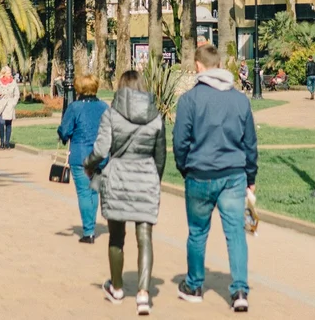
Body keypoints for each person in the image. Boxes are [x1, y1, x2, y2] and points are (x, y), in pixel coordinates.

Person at [173, 43, 257, 312]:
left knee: (197, 232)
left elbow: (180, 142)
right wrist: (250, 175)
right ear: (219, 65)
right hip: (233, 174)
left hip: (199, 173)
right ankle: (240, 290)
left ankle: (194, 285)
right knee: (236, 233)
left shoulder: (189, 100)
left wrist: (184, 167)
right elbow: (250, 143)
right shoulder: (240, 100)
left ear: (198, 66)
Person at [85, 70, 165, 315]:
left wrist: (88, 165)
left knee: (116, 238)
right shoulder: (155, 116)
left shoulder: (111, 114)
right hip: (146, 177)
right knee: (145, 238)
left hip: (118, 177)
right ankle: (143, 294)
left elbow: (101, 150)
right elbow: (160, 156)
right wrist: (154, 180)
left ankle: (117, 288)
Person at [57, 74, 109, 244]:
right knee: (94, 191)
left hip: (80, 156)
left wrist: (63, 135)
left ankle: (89, 231)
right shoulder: (104, 107)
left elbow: (65, 130)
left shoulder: (75, 107)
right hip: (100, 156)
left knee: (84, 193)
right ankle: (91, 226)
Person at [0, 65, 20, 149]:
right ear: (4, 73)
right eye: (8, 73)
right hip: (1, 105)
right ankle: (1, 142)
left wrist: (13, 102)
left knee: (8, 124)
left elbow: (17, 94)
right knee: (1, 123)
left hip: (10, 105)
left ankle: (7, 142)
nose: (10, 74)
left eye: (10, 72)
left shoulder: (13, 82)